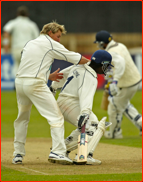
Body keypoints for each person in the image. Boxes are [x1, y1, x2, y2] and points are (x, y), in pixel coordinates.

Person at [12, 21, 92, 165]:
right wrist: (93, 64)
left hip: (20, 82)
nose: (59, 40)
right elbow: (75, 57)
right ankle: (58, 152)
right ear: (50, 33)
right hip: (35, 84)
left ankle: (17, 154)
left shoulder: (30, 43)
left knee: (22, 118)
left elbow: (29, 66)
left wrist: (48, 76)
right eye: (58, 36)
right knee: (56, 118)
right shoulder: (50, 43)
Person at [50, 50, 113, 165]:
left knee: (93, 124)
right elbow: (85, 95)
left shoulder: (80, 65)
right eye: (106, 66)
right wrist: (84, 113)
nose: (107, 69)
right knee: (93, 126)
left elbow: (62, 75)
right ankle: (84, 155)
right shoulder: (90, 76)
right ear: (101, 64)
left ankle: (61, 149)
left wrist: (53, 87)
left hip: (64, 101)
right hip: (69, 104)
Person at [94, 30, 142, 139]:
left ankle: (115, 134)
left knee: (114, 107)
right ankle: (141, 123)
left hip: (126, 83)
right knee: (123, 104)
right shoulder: (120, 45)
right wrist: (110, 81)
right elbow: (114, 67)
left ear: (103, 43)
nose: (98, 46)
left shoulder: (112, 52)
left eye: (99, 43)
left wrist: (115, 81)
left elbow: (120, 64)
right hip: (134, 80)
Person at [2, 6, 40, 77]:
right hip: (28, 49)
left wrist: (6, 45)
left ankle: (16, 83)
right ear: (27, 14)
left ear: (17, 14)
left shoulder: (14, 22)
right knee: (27, 68)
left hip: (16, 49)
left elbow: (6, 31)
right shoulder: (32, 24)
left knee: (16, 66)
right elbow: (37, 38)